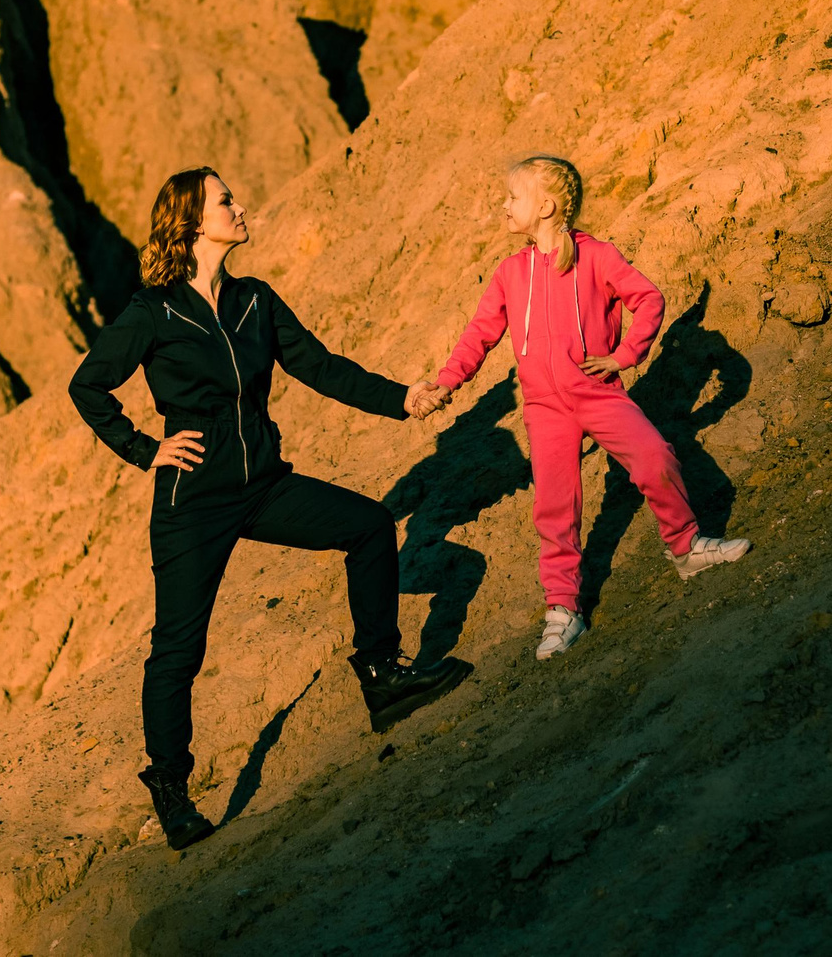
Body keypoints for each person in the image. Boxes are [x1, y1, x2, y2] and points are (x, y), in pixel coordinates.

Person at [69, 167, 469, 851]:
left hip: (263, 484)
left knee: (370, 525)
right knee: (178, 649)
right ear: (196, 223)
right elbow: (88, 385)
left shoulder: (254, 300)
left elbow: (321, 365)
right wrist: (145, 448)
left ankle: (381, 674)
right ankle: (171, 790)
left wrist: (402, 397)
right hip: (191, 501)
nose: (241, 205)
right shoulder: (153, 311)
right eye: (227, 200)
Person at [419, 155, 748, 661]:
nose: (503, 205)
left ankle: (686, 547)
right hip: (544, 408)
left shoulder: (595, 257)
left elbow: (649, 299)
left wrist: (623, 356)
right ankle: (563, 609)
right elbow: (479, 335)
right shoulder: (510, 272)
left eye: (513, 198)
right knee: (555, 508)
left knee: (655, 457)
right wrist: (446, 383)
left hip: (598, 392)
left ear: (545, 205)